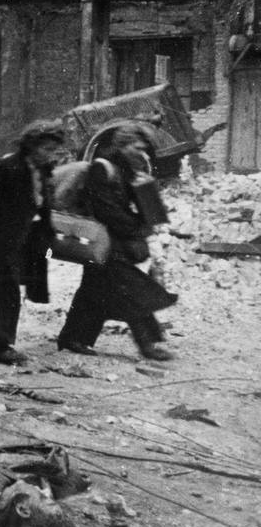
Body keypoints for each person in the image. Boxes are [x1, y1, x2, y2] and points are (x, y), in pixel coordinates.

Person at [56, 124, 175, 361]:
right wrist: (136, 228)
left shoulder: (128, 171)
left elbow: (147, 212)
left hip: (113, 239)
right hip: (102, 238)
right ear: (121, 146)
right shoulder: (102, 168)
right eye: (135, 147)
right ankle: (147, 343)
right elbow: (104, 210)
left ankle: (72, 338)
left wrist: (145, 188)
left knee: (94, 289)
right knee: (130, 288)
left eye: (143, 149)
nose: (140, 152)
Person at [0, 120, 65, 365]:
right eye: (46, 148)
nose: (50, 154)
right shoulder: (6, 166)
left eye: (53, 149)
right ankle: (1, 346)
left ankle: (0, 342)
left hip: (21, 241)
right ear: (31, 145)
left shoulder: (41, 170)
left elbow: (42, 204)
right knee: (4, 290)